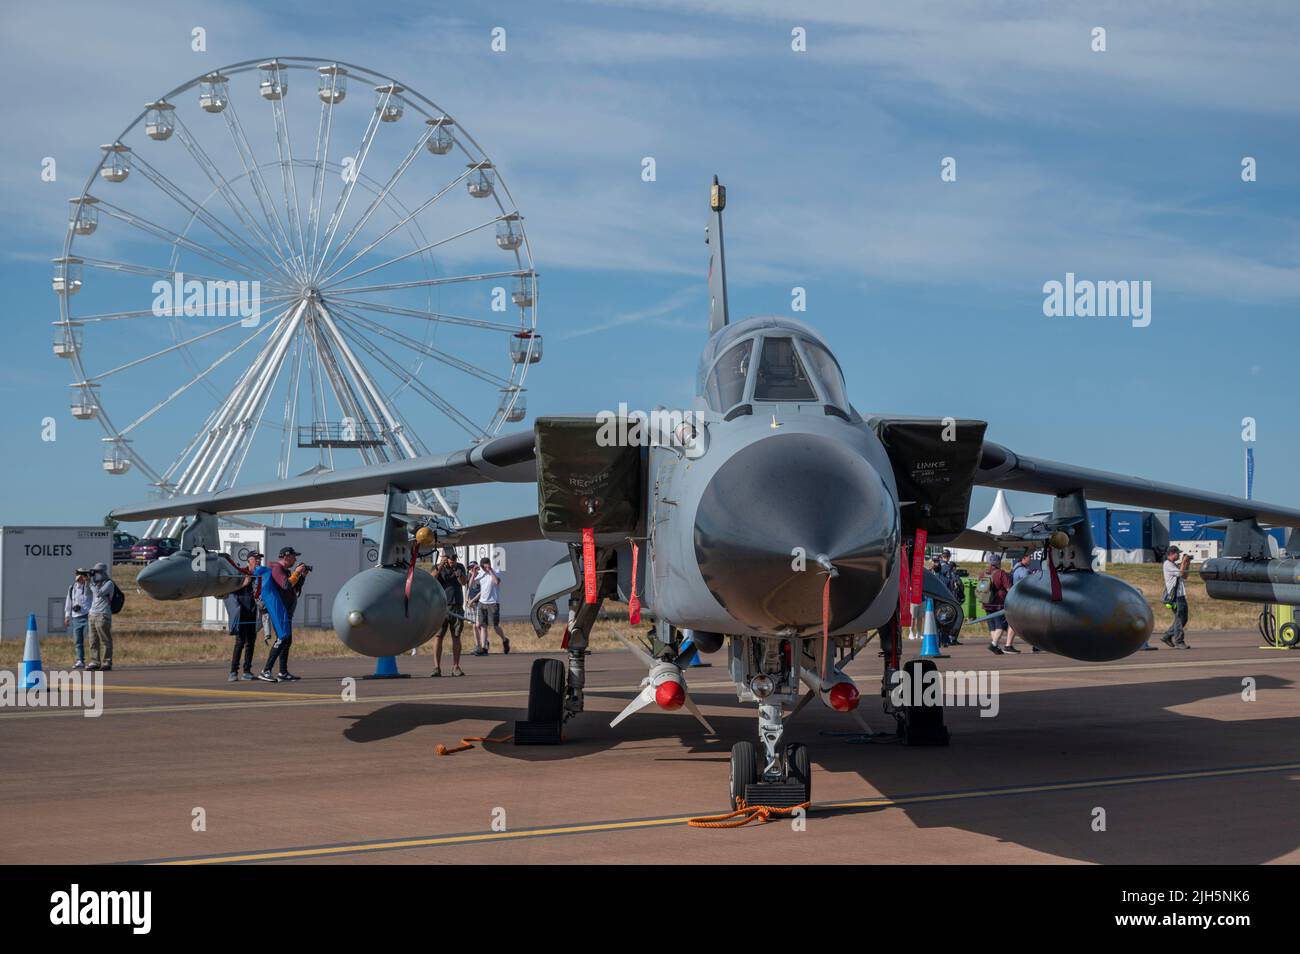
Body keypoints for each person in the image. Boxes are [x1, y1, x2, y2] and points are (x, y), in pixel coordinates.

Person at [256, 546, 309, 682]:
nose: (295, 559)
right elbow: (285, 585)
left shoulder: (286, 571)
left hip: (286, 611)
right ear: (286, 557)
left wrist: (302, 576)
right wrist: (296, 573)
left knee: (287, 640)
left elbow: (295, 588)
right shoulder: (277, 569)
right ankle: (266, 670)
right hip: (279, 611)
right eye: (293, 556)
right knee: (282, 638)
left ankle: (283, 672)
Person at [224, 552, 262, 681]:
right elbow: (229, 590)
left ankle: (247, 671)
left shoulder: (259, 575)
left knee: (251, 642)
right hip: (242, 613)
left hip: (253, 612)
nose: (258, 561)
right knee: (240, 642)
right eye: (256, 559)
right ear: (249, 560)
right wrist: (244, 584)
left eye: (259, 559)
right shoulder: (241, 573)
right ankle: (233, 672)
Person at [431, 546, 468, 677]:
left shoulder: (460, 567)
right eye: (450, 558)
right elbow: (431, 578)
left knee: (456, 637)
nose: (453, 560)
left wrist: (457, 572)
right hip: (441, 607)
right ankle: (436, 668)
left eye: (454, 557)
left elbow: (464, 582)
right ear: (444, 558)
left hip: (456, 606)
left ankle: (456, 667)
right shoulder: (437, 567)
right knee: (438, 637)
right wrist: (441, 564)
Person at [86, 562, 120, 672]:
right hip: (92, 614)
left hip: (103, 614)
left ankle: (107, 662)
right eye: (94, 572)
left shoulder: (109, 583)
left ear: (102, 572)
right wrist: (87, 582)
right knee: (92, 640)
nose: (94, 574)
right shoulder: (95, 583)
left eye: (96, 572)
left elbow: (99, 593)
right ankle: (95, 661)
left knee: (105, 639)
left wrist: (90, 583)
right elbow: (88, 594)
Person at [978, 555, 1014, 655]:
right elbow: (1009, 589)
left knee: (993, 626)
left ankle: (996, 646)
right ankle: (993, 644)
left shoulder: (983, 573)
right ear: (998, 563)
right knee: (1001, 626)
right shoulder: (1001, 573)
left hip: (986, 603)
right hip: (999, 604)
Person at [474, 555, 509, 655]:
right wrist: (473, 573)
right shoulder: (481, 574)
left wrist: (490, 571)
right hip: (482, 602)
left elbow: (496, 582)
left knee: (495, 626)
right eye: (483, 567)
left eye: (486, 566)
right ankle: (484, 648)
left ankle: (505, 640)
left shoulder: (496, 571)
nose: (484, 569)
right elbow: (473, 583)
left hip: (493, 603)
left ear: (489, 564)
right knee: (482, 626)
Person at [1009, 552, 1043, 653]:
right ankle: (1035, 645)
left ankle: (1005, 645)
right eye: (1029, 557)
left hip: (1017, 600)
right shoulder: (1023, 571)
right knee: (1033, 623)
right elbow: (1030, 584)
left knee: (1015, 624)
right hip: (1025, 601)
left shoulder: (1016, 568)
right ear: (1023, 558)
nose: (1031, 559)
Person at [1161, 544, 1191, 649]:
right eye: (1178, 553)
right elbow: (1181, 573)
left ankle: (1167, 636)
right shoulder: (1167, 564)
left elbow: (1185, 575)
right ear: (1171, 554)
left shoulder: (1174, 565)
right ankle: (1179, 641)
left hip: (1180, 595)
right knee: (1179, 619)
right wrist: (1183, 562)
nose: (1179, 555)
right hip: (1175, 597)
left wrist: (1187, 563)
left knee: (1184, 618)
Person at [64, 568, 92, 670]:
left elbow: (89, 589)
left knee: (92, 640)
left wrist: (87, 580)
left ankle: (94, 660)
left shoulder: (88, 586)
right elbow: (68, 602)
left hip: (87, 616)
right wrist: (67, 616)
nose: (80, 579)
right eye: (79, 577)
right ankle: (80, 660)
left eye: (82, 577)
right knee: (78, 641)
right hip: (75, 617)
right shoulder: (72, 588)